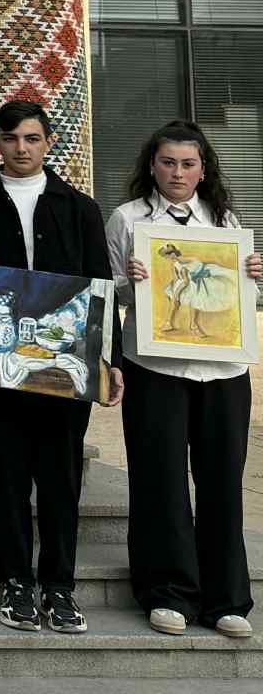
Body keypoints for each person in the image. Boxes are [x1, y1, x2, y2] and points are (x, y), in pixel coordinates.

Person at [0, 100, 119, 635]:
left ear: (49, 142)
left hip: (64, 368)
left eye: (33, 138)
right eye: (13, 138)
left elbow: (100, 289)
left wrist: (107, 362)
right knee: (6, 476)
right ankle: (17, 581)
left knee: (61, 478)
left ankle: (60, 588)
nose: (22, 148)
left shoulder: (80, 208)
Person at [105, 120, 260, 640]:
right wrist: (132, 281)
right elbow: (113, 297)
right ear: (152, 165)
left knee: (222, 482)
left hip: (224, 372)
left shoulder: (227, 220)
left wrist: (253, 275)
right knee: (160, 480)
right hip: (154, 370)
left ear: (202, 169)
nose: (177, 172)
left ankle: (227, 599)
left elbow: (236, 298)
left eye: (188, 163)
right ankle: (167, 592)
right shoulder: (127, 220)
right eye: (168, 162)